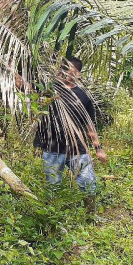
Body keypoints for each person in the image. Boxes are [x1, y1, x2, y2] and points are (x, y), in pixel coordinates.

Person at [35, 57, 107, 194]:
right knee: (53, 189)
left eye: (67, 69)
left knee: (88, 187)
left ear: (77, 74)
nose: (63, 72)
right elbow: (25, 87)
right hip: (52, 149)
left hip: (78, 150)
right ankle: (54, 208)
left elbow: (89, 126)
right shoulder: (49, 90)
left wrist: (98, 149)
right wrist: (12, 69)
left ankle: (90, 208)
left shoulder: (83, 97)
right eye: (62, 68)